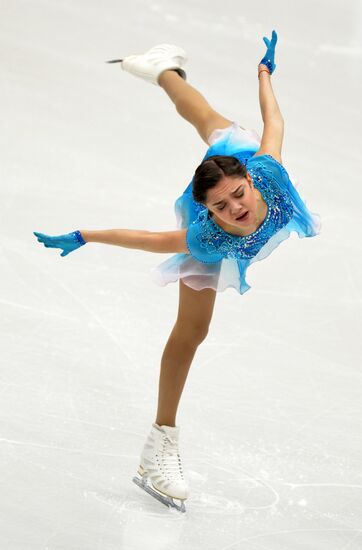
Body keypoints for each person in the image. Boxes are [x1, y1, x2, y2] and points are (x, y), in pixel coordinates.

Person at [33, 31, 321, 513]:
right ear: (207, 210)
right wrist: (85, 235)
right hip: (207, 227)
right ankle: (159, 445)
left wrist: (264, 74)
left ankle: (162, 69)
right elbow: (149, 240)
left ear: (250, 180)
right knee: (192, 331)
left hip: (235, 155)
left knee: (211, 121)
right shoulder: (207, 233)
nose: (236, 209)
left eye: (238, 195)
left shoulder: (265, 169)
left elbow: (274, 118)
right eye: (222, 206)